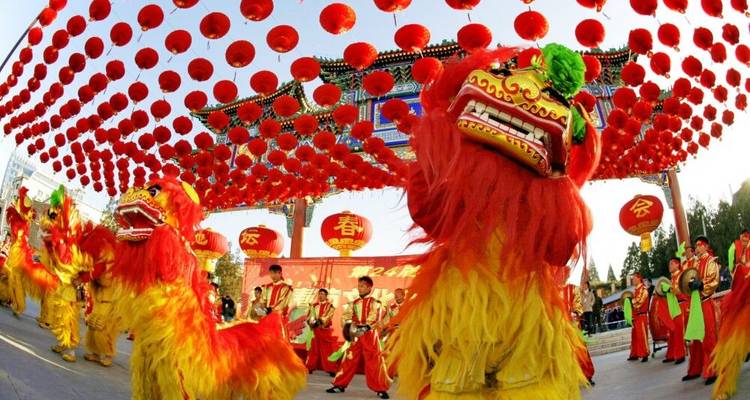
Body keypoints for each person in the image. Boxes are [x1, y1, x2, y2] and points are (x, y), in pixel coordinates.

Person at [326, 276, 391, 399]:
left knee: (374, 361)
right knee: (349, 359)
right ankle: (339, 385)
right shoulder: (354, 303)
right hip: (355, 334)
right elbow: (345, 316)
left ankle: (380, 388)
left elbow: (376, 317)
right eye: (359, 286)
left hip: (369, 334)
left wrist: (367, 326)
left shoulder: (375, 302)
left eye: (362, 286)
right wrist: (348, 326)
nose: (359, 288)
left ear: (369, 288)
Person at [683, 236, 719, 384]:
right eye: (696, 245)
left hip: (705, 302)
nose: (696, 248)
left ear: (705, 246)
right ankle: (696, 369)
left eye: (699, 245)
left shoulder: (711, 262)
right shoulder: (695, 263)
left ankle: (713, 370)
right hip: (695, 304)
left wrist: (702, 285)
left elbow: (714, 281)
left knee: (708, 337)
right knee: (695, 338)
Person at [305, 288, 338, 376]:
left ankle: (331, 369)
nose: (320, 295)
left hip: (324, 330)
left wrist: (320, 321)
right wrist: (311, 321)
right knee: (313, 349)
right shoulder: (313, 306)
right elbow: (308, 315)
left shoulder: (330, 306)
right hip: (314, 330)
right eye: (319, 294)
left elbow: (328, 317)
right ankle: (309, 367)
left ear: (326, 296)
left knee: (327, 350)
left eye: (322, 294)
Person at [662, 258, 687, 365]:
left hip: (681, 305)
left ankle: (681, 354)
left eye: (672, 264)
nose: (670, 266)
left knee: (678, 331)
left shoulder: (681, 276)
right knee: (672, 331)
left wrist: (669, 288)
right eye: (669, 264)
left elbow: (678, 290)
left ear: (677, 265)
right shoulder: (672, 278)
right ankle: (672, 354)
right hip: (674, 306)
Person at [261, 264, 293, 339]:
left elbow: (282, 303)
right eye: (271, 273)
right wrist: (262, 311)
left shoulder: (286, 288)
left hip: (278, 319)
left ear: (280, 273)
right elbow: (263, 301)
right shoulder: (266, 287)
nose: (273, 276)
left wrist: (270, 310)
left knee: (278, 339)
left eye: (275, 273)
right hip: (267, 318)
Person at [627, 273, 650, 362]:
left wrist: (630, 301)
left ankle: (645, 354)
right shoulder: (635, 290)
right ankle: (635, 354)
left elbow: (640, 301)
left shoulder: (644, 289)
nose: (632, 280)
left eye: (634, 278)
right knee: (635, 336)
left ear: (639, 279)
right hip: (636, 316)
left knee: (642, 335)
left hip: (641, 315)